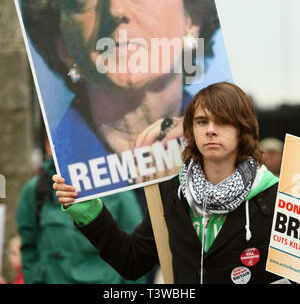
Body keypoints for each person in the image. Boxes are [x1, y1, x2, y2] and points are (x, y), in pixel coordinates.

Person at [17, 0, 225, 194]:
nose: (114, 10)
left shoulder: (233, 155)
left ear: (191, 18)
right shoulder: (49, 189)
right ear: (61, 42)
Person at [52, 82, 282, 284]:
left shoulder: (277, 198)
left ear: (243, 129)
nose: (211, 130)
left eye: (222, 122)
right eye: (202, 122)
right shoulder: (172, 192)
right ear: (191, 130)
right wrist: (88, 212)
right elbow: (132, 261)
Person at [16, 136, 146, 284]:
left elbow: (135, 250)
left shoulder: (115, 186)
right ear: (48, 147)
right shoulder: (35, 191)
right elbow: (28, 248)